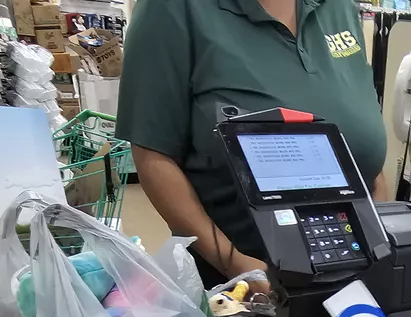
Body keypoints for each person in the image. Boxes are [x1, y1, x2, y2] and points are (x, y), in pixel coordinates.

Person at [116, 0, 388, 288]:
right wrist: (239, 266)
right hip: (243, 292)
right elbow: (154, 154)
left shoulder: (338, 7)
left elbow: (361, 136)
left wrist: (384, 240)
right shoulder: (173, 9)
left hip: (359, 273)